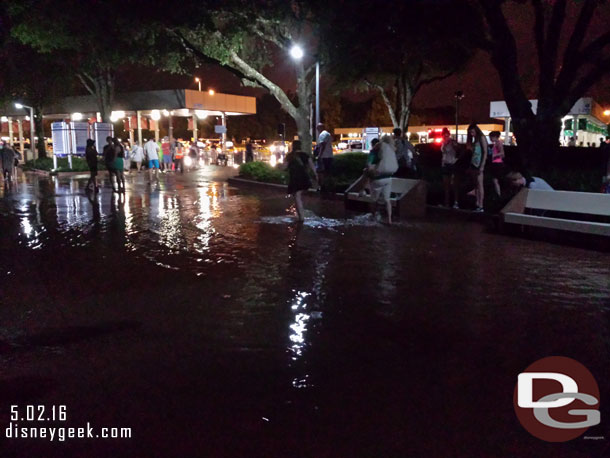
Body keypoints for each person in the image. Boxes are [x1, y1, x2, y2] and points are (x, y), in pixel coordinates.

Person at [286, 140, 318, 222]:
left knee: (297, 196)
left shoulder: (290, 156)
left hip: (294, 178)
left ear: (293, 146)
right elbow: (312, 166)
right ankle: (302, 213)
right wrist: (315, 175)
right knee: (298, 195)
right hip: (304, 177)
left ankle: (301, 216)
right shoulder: (305, 155)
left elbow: (284, 166)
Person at [369, 135, 397, 224]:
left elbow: (370, 161)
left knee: (373, 200)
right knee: (387, 200)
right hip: (388, 178)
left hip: (378, 178)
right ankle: (389, 219)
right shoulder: (391, 150)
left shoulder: (377, 148)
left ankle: (373, 216)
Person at [466, 123, 488, 212]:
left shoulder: (481, 138)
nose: (472, 134)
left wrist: (482, 165)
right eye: (470, 133)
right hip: (474, 163)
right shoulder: (475, 140)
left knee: (480, 184)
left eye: (473, 132)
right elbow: (474, 152)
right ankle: (478, 203)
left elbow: (485, 152)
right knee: (476, 185)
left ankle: (481, 205)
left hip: (479, 164)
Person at [440, 127, 459, 208]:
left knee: (453, 184)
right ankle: (446, 203)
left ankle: (456, 202)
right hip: (445, 164)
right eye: (444, 136)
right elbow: (443, 153)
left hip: (452, 164)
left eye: (447, 136)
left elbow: (458, 150)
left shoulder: (452, 142)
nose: (446, 137)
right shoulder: (443, 143)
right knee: (446, 185)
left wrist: (456, 159)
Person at [488, 131, 505, 197]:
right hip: (495, 163)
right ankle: (498, 194)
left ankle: (498, 194)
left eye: (491, 137)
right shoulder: (495, 143)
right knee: (494, 180)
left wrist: (493, 155)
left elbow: (502, 153)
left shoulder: (499, 143)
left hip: (497, 163)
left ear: (495, 137)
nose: (490, 139)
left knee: (495, 180)